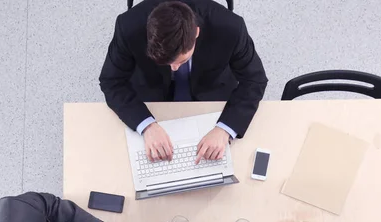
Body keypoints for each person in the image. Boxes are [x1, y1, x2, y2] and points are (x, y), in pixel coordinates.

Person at [99, 0, 268, 163]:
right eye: (167, 63)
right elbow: (111, 81)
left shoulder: (231, 27)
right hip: (152, 94)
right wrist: (146, 126)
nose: (174, 68)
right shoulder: (128, 26)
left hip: (212, 93)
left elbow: (255, 79)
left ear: (196, 32)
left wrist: (225, 129)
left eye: (181, 61)